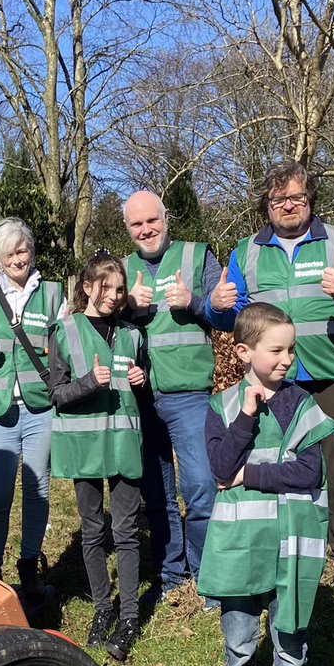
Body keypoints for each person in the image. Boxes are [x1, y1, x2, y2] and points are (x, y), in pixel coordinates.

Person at [221, 161, 334, 597]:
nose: (288, 205)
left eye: (297, 198)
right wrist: (216, 306)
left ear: (310, 202)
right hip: (274, 381)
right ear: (266, 206)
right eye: (278, 199)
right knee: (275, 467)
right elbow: (232, 317)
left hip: (331, 376)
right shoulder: (244, 251)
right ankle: (281, 557)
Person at [200, 304, 334, 666]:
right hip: (241, 545)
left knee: (288, 640)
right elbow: (219, 468)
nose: (286, 359)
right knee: (238, 644)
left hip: (291, 546)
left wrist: (250, 475)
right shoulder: (222, 406)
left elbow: (309, 470)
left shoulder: (302, 405)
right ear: (243, 352)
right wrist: (246, 418)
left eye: (291, 349)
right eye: (276, 349)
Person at [120, 190, 236, 602]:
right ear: (128, 229)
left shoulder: (197, 256)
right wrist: (125, 307)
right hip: (138, 398)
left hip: (189, 393)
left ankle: (207, 577)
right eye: (137, 224)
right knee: (157, 493)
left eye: (152, 220)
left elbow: (229, 314)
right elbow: (95, 321)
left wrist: (196, 302)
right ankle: (172, 576)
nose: (146, 229)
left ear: (166, 218)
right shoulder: (121, 269)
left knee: (202, 486)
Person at [0, 218, 65, 616]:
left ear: (32, 252)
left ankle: (29, 566)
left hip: (41, 408)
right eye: (9, 253)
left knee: (38, 493)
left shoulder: (53, 294)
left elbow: (66, 346)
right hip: (0, 410)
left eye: (22, 251)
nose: (17, 259)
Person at [48, 252, 148, 661]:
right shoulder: (64, 331)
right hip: (84, 448)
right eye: (105, 287)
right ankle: (101, 609)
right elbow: (56, 394)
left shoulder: (133, 335)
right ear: (87, 286)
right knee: (92, 532)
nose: (112, 295)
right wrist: (89, 382)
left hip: (124, 446)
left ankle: (128, 616)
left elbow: (139, 388)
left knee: (125, 533)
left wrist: (143, 382)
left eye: (119, 289)